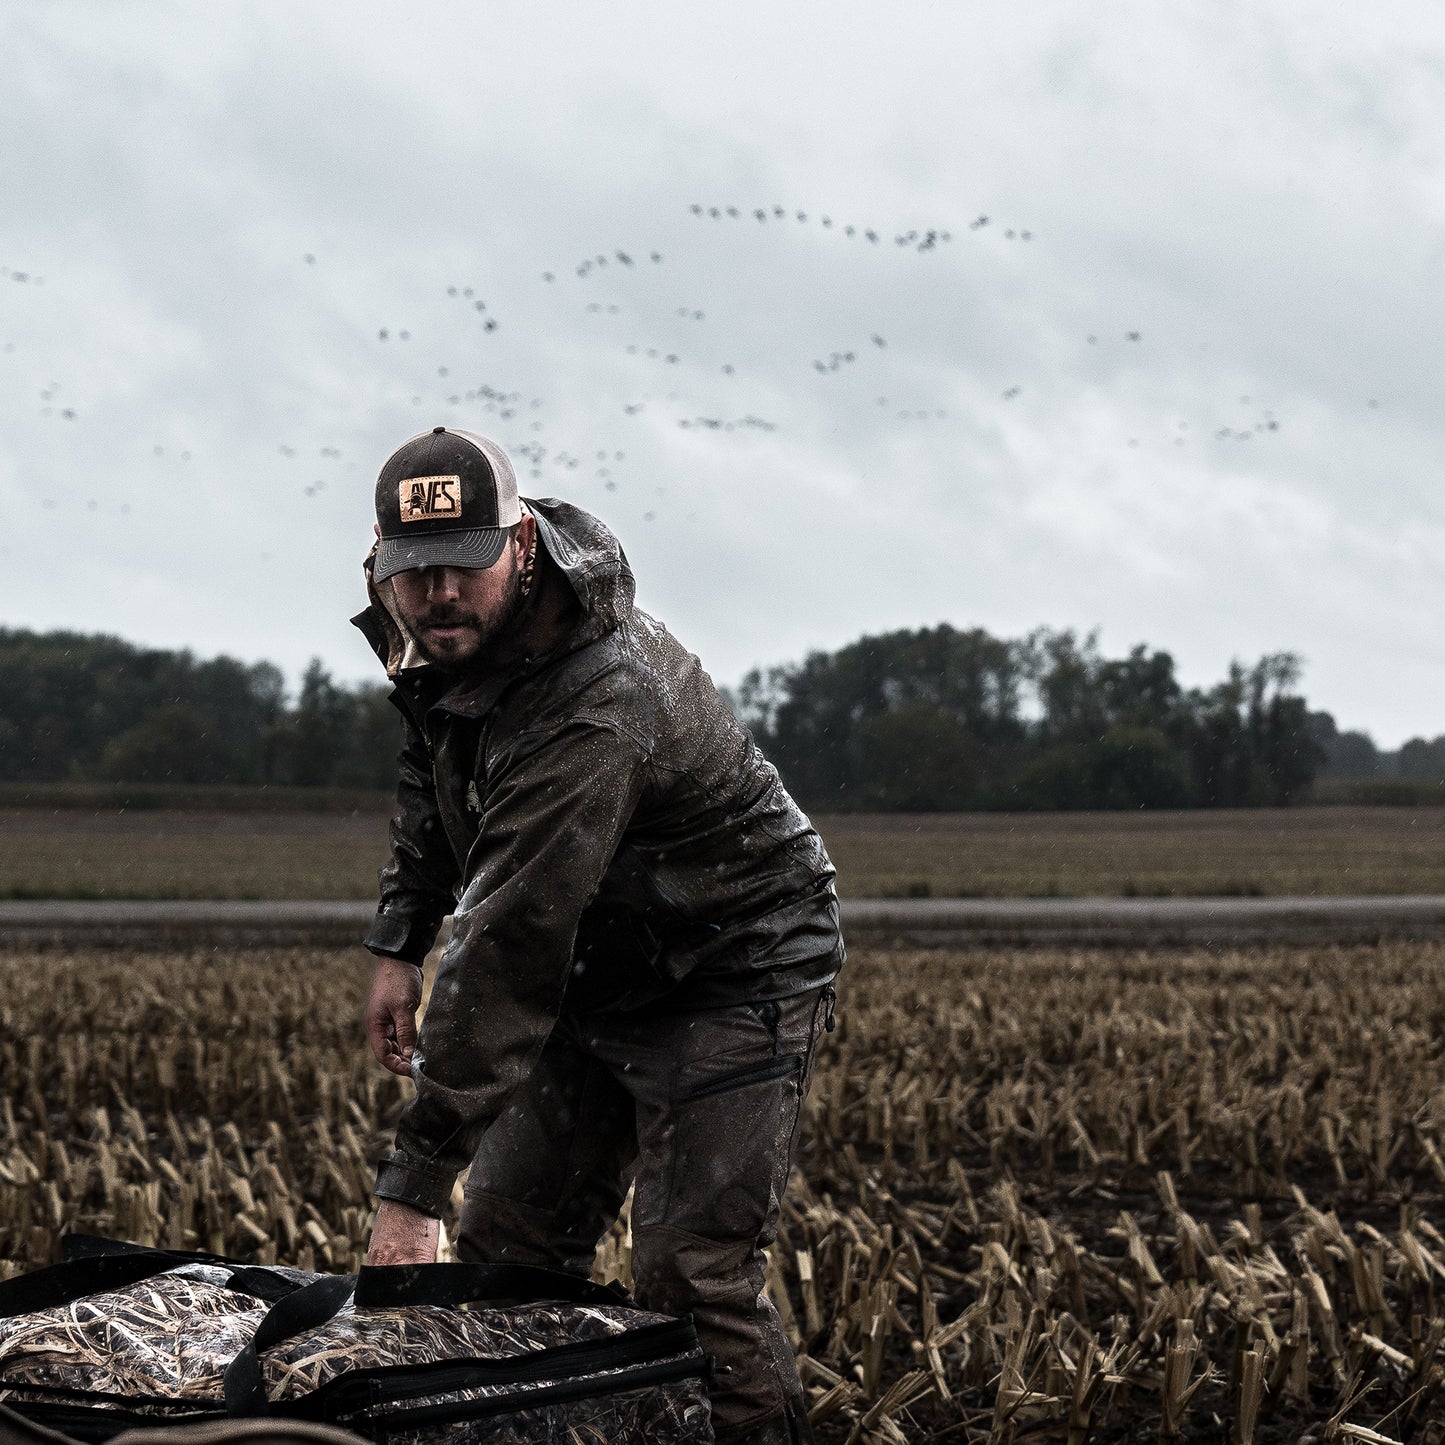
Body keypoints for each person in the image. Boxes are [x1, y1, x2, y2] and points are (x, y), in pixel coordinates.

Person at [354, 426, 843, 1445]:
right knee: (509, 1249)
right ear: (381, 560)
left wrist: (412, 1186)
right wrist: (400, 936)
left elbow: (513, 931)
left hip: (729, 963)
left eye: (463, 564)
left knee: (690, 1278)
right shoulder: (438, 638)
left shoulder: (595, 696)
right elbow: (432, 774)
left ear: (521, 543)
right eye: (415, 570)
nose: (439, 592)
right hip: (599, 952)